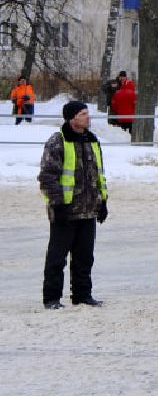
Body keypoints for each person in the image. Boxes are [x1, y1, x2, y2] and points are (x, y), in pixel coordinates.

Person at [38, 100, 108, 309]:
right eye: (84, 113)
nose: (88, 117)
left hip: (88, 210)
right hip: (65, 211)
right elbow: (47, 177)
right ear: (72, 118)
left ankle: (82, 295)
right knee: (57, 259)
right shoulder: (57, 141)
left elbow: (99, 175)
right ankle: (51, 299)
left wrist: (103, 201)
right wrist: (57, 205)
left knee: (85, 257)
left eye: (87, 113)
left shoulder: (92, 140)